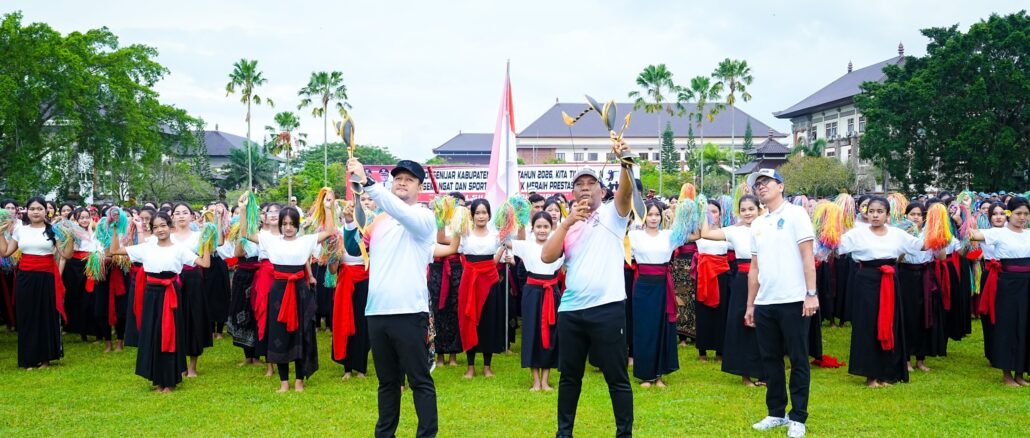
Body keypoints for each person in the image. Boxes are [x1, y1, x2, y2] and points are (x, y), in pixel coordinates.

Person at [541, 137, 634, 438]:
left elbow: (626, 192)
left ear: (602, 191)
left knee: (616, 377)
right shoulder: (569, 225)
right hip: (571, 311)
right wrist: (566, 223)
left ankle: (624, 433)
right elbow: (547, 257)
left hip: (607, 309)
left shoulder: (612, 214)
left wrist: (624, 161)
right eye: (579, 184)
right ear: (572, 192)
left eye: (591, 183)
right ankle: (564, 433)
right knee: (569, 378)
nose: (584, 188)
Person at [345, 157, 438, 438]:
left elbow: (400, 212)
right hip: (377, 312)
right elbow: (356, 248)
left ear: (420, 187)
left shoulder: (423, 217)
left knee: (419, 380)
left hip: (409, 312)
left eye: (409, 179)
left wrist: (368, 183)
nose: (402, 183)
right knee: (387, 383)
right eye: (398, 178)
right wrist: (350, 222)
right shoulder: (380, 221)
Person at [744, 169, 817, 438]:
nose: (761, 187)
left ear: (781, 186)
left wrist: (811, 293)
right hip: (765, 301)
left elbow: (808, 256)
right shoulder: (758, 223)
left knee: (798, 359)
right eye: (758, 184)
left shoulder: (796, 214)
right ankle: (775, 412)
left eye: (766, 182)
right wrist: (751, 305)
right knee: (770, 359)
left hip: (794, 299)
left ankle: (798, 417)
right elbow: (754, 268)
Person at [241, 195, 335, 392]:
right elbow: (245, 233)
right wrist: (243, 210)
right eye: (284, 224)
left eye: (292, 224)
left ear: (298, 225)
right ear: (280, 225)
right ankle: (284, 381)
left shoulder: (306, 241)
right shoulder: (270, 240)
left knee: (302, 332)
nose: (288, 227)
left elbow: (329, 231)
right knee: (279, 333)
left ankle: (299, 380)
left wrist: (328, 208)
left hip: (300, 291)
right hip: (278, 291)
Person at [108, 211, 210, 392]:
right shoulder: (146, 247)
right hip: (151, 294)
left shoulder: (179, 249)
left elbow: (205, 263)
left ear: (170, 227)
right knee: (153, 334)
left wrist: (207, 243)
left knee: (170, 335)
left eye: (163, 225)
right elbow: (114, 251)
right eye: (155, 227)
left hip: (171, 294)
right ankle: (158, 380)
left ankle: (170, 381)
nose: (160, 230)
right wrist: (115, 229)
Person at [838, 196, 927, 387]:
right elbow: (835, 246)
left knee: (889, 323)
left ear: (887, 214)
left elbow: (920, 246)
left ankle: (886, 373)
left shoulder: (897, 233)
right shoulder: (857, 233)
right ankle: (870, 375)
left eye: (880, 212)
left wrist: (940, 228)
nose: (875, 215)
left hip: (890, 280)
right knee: (868, 325)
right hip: (866, 281)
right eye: (871, 211)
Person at [0, 197, 73, 369]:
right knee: (27, 315)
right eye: (32, 209)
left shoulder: (53, 230)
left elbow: (66, 255)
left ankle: (45, 358)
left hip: (47, 278)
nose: (35, 212)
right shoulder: (20, 230)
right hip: (25, 277)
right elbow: (5, 252)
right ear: (27, 211)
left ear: (45, 211)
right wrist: (0, 233)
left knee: (45, 316)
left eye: (39, 208)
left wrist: (70, 237)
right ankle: (28, 358)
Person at [701, 194, 766, 386]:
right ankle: (745, 373)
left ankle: (765, 373)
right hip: (742, 281)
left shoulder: (767, 227)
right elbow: (706, 233)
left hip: (766, 280)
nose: (747, 213)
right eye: (743, 210)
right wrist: (705, 211)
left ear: (759, 209)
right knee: (742, 324)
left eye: (751, 209)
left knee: (765, 324)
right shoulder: (734, 231)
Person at [968, 196, 1030, 387]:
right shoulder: (998, 233)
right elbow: (972, 235)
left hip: (1027, 284)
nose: (1022, 217)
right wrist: (965, 213)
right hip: (1007, 285)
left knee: (1025, 326)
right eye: (1018, 213)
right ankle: (1007, 373)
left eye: (1026, 214)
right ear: (1009, 213)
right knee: (1008, 326)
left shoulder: (1029, 233)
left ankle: (1020, 373)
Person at [508, 211, 564, 391]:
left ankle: (546, 380)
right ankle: (536, 380)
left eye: (545, 226)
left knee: (551, 333)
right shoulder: (526, 245)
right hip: (532, 293)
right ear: (533, 228)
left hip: (551, 292)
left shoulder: (559, 245)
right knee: (531, 333)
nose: (542, 230)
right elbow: (502, 240)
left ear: (551, 228)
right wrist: (511, 217)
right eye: (538, 226)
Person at [627, 201, 679, 388]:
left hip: (662, 285)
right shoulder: (634, 235)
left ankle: (659, 375)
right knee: (644, 329)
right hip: (643, 286)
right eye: (650, 215)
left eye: (657, 214)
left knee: (661, 328)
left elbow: (693, 234)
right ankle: (645, 375)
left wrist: (677, 213)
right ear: (644, 216)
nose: (653, 218)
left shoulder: (669, 235)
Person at [457, 198, 506, 379]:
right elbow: (445, 242)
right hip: (470, 281)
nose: (481, 216)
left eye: (484, 212)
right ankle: (470, 367)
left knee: (488, 321)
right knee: (469, 320)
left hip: (490, 281)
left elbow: (499, 256)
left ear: (489, 215)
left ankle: (487, 366)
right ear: (472, 215)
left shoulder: (496, 235)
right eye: (477, 212)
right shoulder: (464, 234)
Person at [897, 202, 947, 372]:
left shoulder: (930, 232)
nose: (916, 217)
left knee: (925, 315)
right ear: (906, 216)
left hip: (926, 276)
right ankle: (906, 359)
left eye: (919, 214)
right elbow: (897, 259)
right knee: (907, 316)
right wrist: (906, 244)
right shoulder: (901, 233)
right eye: (912, 214)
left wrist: (940, 241)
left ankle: (921, 358)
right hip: (906, 276)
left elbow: (941, 257)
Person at [170, 203, 210, 377]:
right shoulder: (168, 237)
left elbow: (207, 257)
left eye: (185, 212)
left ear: (192, 216)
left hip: (193, 279)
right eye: (177, 213)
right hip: (173, 280)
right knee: (175, 319)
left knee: (194, 319)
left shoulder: (199, 236)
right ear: (172, 217)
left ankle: (192, 366)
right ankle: (180, 365)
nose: (181, 216)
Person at [695, 200, 732, 362]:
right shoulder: (697, 232)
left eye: (714, 211)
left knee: (721, 312)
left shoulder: (726, 232)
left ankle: (720, 350)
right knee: (702, 311)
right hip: (703, 274)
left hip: (722, 274)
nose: (711, 215)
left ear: (720, 214)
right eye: (707, 212)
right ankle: (702, 350)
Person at [124, 207, 157, 348]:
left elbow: (144, 251)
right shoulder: (134, 233)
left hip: (150, 275)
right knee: (135, 305)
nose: (143, 222)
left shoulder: (156, 236)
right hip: (136, 274)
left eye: (147, 219)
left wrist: (139, 230)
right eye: (141, 219)